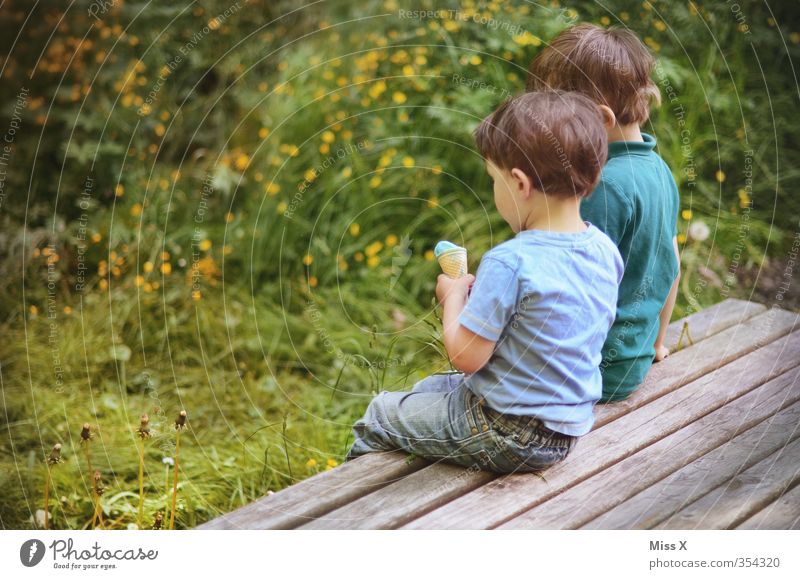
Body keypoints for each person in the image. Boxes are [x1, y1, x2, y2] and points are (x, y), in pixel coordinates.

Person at [345, 91, 623, 473]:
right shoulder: (604, 249)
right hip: (566, 427)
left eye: (494, 179)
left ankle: (344, 505)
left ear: (520, 183)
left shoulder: (510, 261)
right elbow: (549, 330)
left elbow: (466, 357)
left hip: (506, 430)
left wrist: (454, 298)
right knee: (426, 390)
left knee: (379, 413)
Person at [527, 24, 681, 402]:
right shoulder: (658, 171)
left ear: (599, 119)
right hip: (632, 362)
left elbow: (572, 294)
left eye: (556, 117)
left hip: (590, 372)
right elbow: (670, 264)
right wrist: (655, 344)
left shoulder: (604, 188)